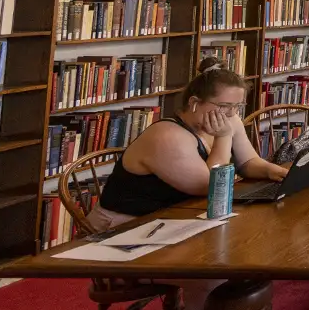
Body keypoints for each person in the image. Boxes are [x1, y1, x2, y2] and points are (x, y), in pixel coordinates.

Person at [87, 59, 289, 309]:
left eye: (237, 106)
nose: (231, 114)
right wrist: (224, 138)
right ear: (194, 103)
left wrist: (276, 172)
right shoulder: (167, 136)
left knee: (249, 259)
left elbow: (248, 161)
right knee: (217, 271)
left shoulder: (227, 120)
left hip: (172, 222)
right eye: (225, 106)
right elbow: (211, 188)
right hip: (124, 230)